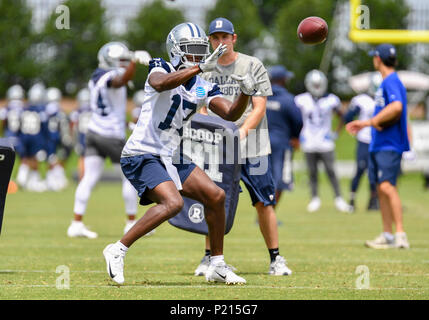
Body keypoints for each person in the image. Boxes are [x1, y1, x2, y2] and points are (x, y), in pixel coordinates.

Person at [103, 22, 260, 285]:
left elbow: (231, 114)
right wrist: (198, 68)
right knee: (173, 203)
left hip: (171, 155)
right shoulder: (161, 67)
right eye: (192, 50)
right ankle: (117, 249)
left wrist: (246, 91)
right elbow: (161, 84)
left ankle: (217, 265)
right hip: (142, 153)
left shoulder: (199, 86)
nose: (198, 56)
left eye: (201, 51)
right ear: (176, 49)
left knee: (216, 196)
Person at [196, 17, 292, 276]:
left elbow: (259, 107)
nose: (220, 42)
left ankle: (275, 259)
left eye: (224, 37)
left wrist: (239, 134)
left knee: (264, 202)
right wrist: (212, 134)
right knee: (214, 202)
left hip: (254, 147)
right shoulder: (206, 69)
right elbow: (202, 108)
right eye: (215, 38)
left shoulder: (252, 64)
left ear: (233, 38)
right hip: (219, 148)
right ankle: (209, 258)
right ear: (210, 41)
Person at [67, 42, 151, 239]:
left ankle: (76, 223)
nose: (124, 64)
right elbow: (121, 80)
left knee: (89, 177)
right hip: (110, 136)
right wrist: (133, 60)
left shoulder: (96, 75)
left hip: (94, 132)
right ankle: (131, 222)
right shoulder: (109, 76)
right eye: (120, 61)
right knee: (129, 177)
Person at [346, 43, 410, 249]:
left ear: (378, 59)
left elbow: (397, 107)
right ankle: (387, 234)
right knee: (380, 189)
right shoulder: (387, 81)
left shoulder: (391, 81)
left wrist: (369, 122)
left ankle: (400, 234)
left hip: (389, 144)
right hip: (379, 144)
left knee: (386, 186)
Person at [295, 70, 351, 213]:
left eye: (319, 85)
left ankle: (339, 199)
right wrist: (298, 134)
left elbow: (342, 116)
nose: (318, 88)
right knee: (312, 173)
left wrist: (336, 133)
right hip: (309, 142)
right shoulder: (301, 99)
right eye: (315, 85)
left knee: (331, 172)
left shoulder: (331, 99)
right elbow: (294, 118)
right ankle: (314, 199)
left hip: (326, 142)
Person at [344, 72, 382, 212]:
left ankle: (373, 200)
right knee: (360, 169)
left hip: (378, 141)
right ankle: (352, 200)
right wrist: (354, 128)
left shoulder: (385, 99)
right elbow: (348, 116)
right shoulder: (361, 100)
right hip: (364, 140)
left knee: (375, 172)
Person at [266, 65, 303, 205]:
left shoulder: (262, 97)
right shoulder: (288, 99)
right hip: (281, 143)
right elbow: (298, 121)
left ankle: (263, 213)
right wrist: (295, 137)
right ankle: (268, 213)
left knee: (264, 178)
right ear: (282, 80)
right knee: (280, 179)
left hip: (260, 143)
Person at [17, 83, 49, 192]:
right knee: (35, 159)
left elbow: (19, 125)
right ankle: (33, 181)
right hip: (36, 137)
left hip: (24, 136)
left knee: (24, 159)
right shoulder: (42, 110)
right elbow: (44, 128)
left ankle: (21, 180)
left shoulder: (24, 109)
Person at [69, 87, 92, 181]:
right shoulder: (93, 109)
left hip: (82, 136)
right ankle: (89, 179)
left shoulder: (77, 111)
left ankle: (82, 178)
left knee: (82, 158)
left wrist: (73, 138)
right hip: (92, 135)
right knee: (92, 158)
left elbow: (73, 125)